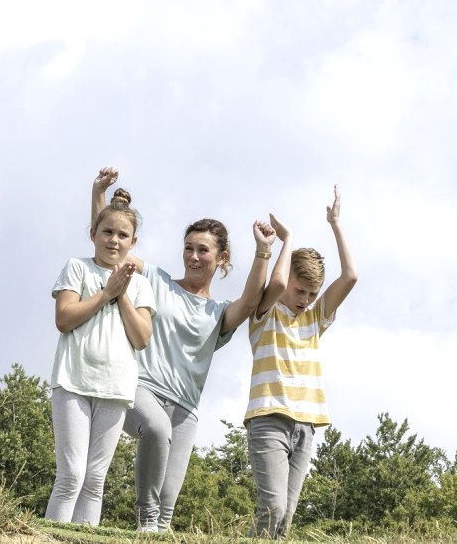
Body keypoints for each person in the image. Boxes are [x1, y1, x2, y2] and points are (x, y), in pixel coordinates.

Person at [88, 168, 282, 532]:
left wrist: (263, 251)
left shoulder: (219, 312)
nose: (193, 256)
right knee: (156, 434)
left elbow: (252, 299)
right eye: (188, 248)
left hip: (186, 409)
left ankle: (153, 530)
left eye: (203, 250)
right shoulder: (158, 281)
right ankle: (144, 520)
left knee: (167, 508)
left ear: (221, 258)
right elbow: (111, 248)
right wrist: (99, 194)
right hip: (141, 389)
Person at [243, 187, 358, 539]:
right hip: (268, 419)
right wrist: (286, 240)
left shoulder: (315, 317)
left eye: (312, 293)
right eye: (300, 291)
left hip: (306, 424)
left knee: (287, 517)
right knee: (273, 506)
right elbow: (276, 282)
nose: (306, 300)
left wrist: (335, 224)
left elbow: (350, 276)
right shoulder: (265, 311)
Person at [46, 188, 155, 526]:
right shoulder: (77, 268)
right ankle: (51, 535)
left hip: (116, 388)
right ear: (93, 233)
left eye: (123, 235)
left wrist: (120, 294)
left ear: (133, 242)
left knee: (94, 480)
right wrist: (107, 292)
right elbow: (64, 319)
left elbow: (141, 338)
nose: (113, 240)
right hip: (74, 382)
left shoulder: (140, 285)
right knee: (71, 475)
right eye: (107, 232)